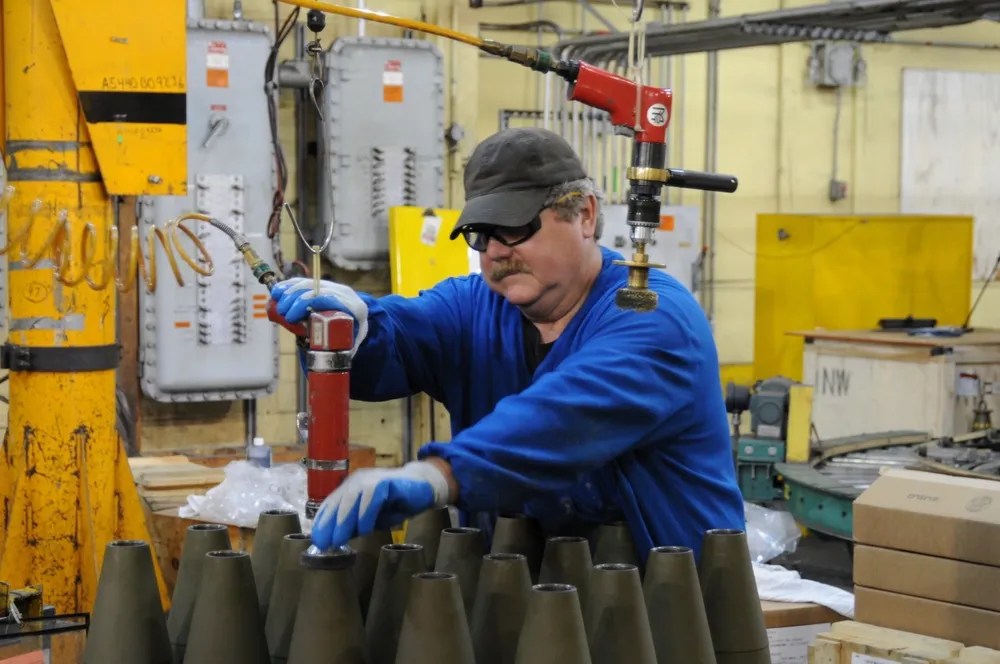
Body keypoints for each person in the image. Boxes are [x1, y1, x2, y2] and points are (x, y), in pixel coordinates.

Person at [271, 127, 744, 562]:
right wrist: (356, 328)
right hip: (520, 596)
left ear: (584, 214)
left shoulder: (652, 316)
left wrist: (440, 474)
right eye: (481, 234)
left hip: (667, 604)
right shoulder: (473, 307)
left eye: (515, 227)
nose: (496, 250)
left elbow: (564, 418)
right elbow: (400, 338)